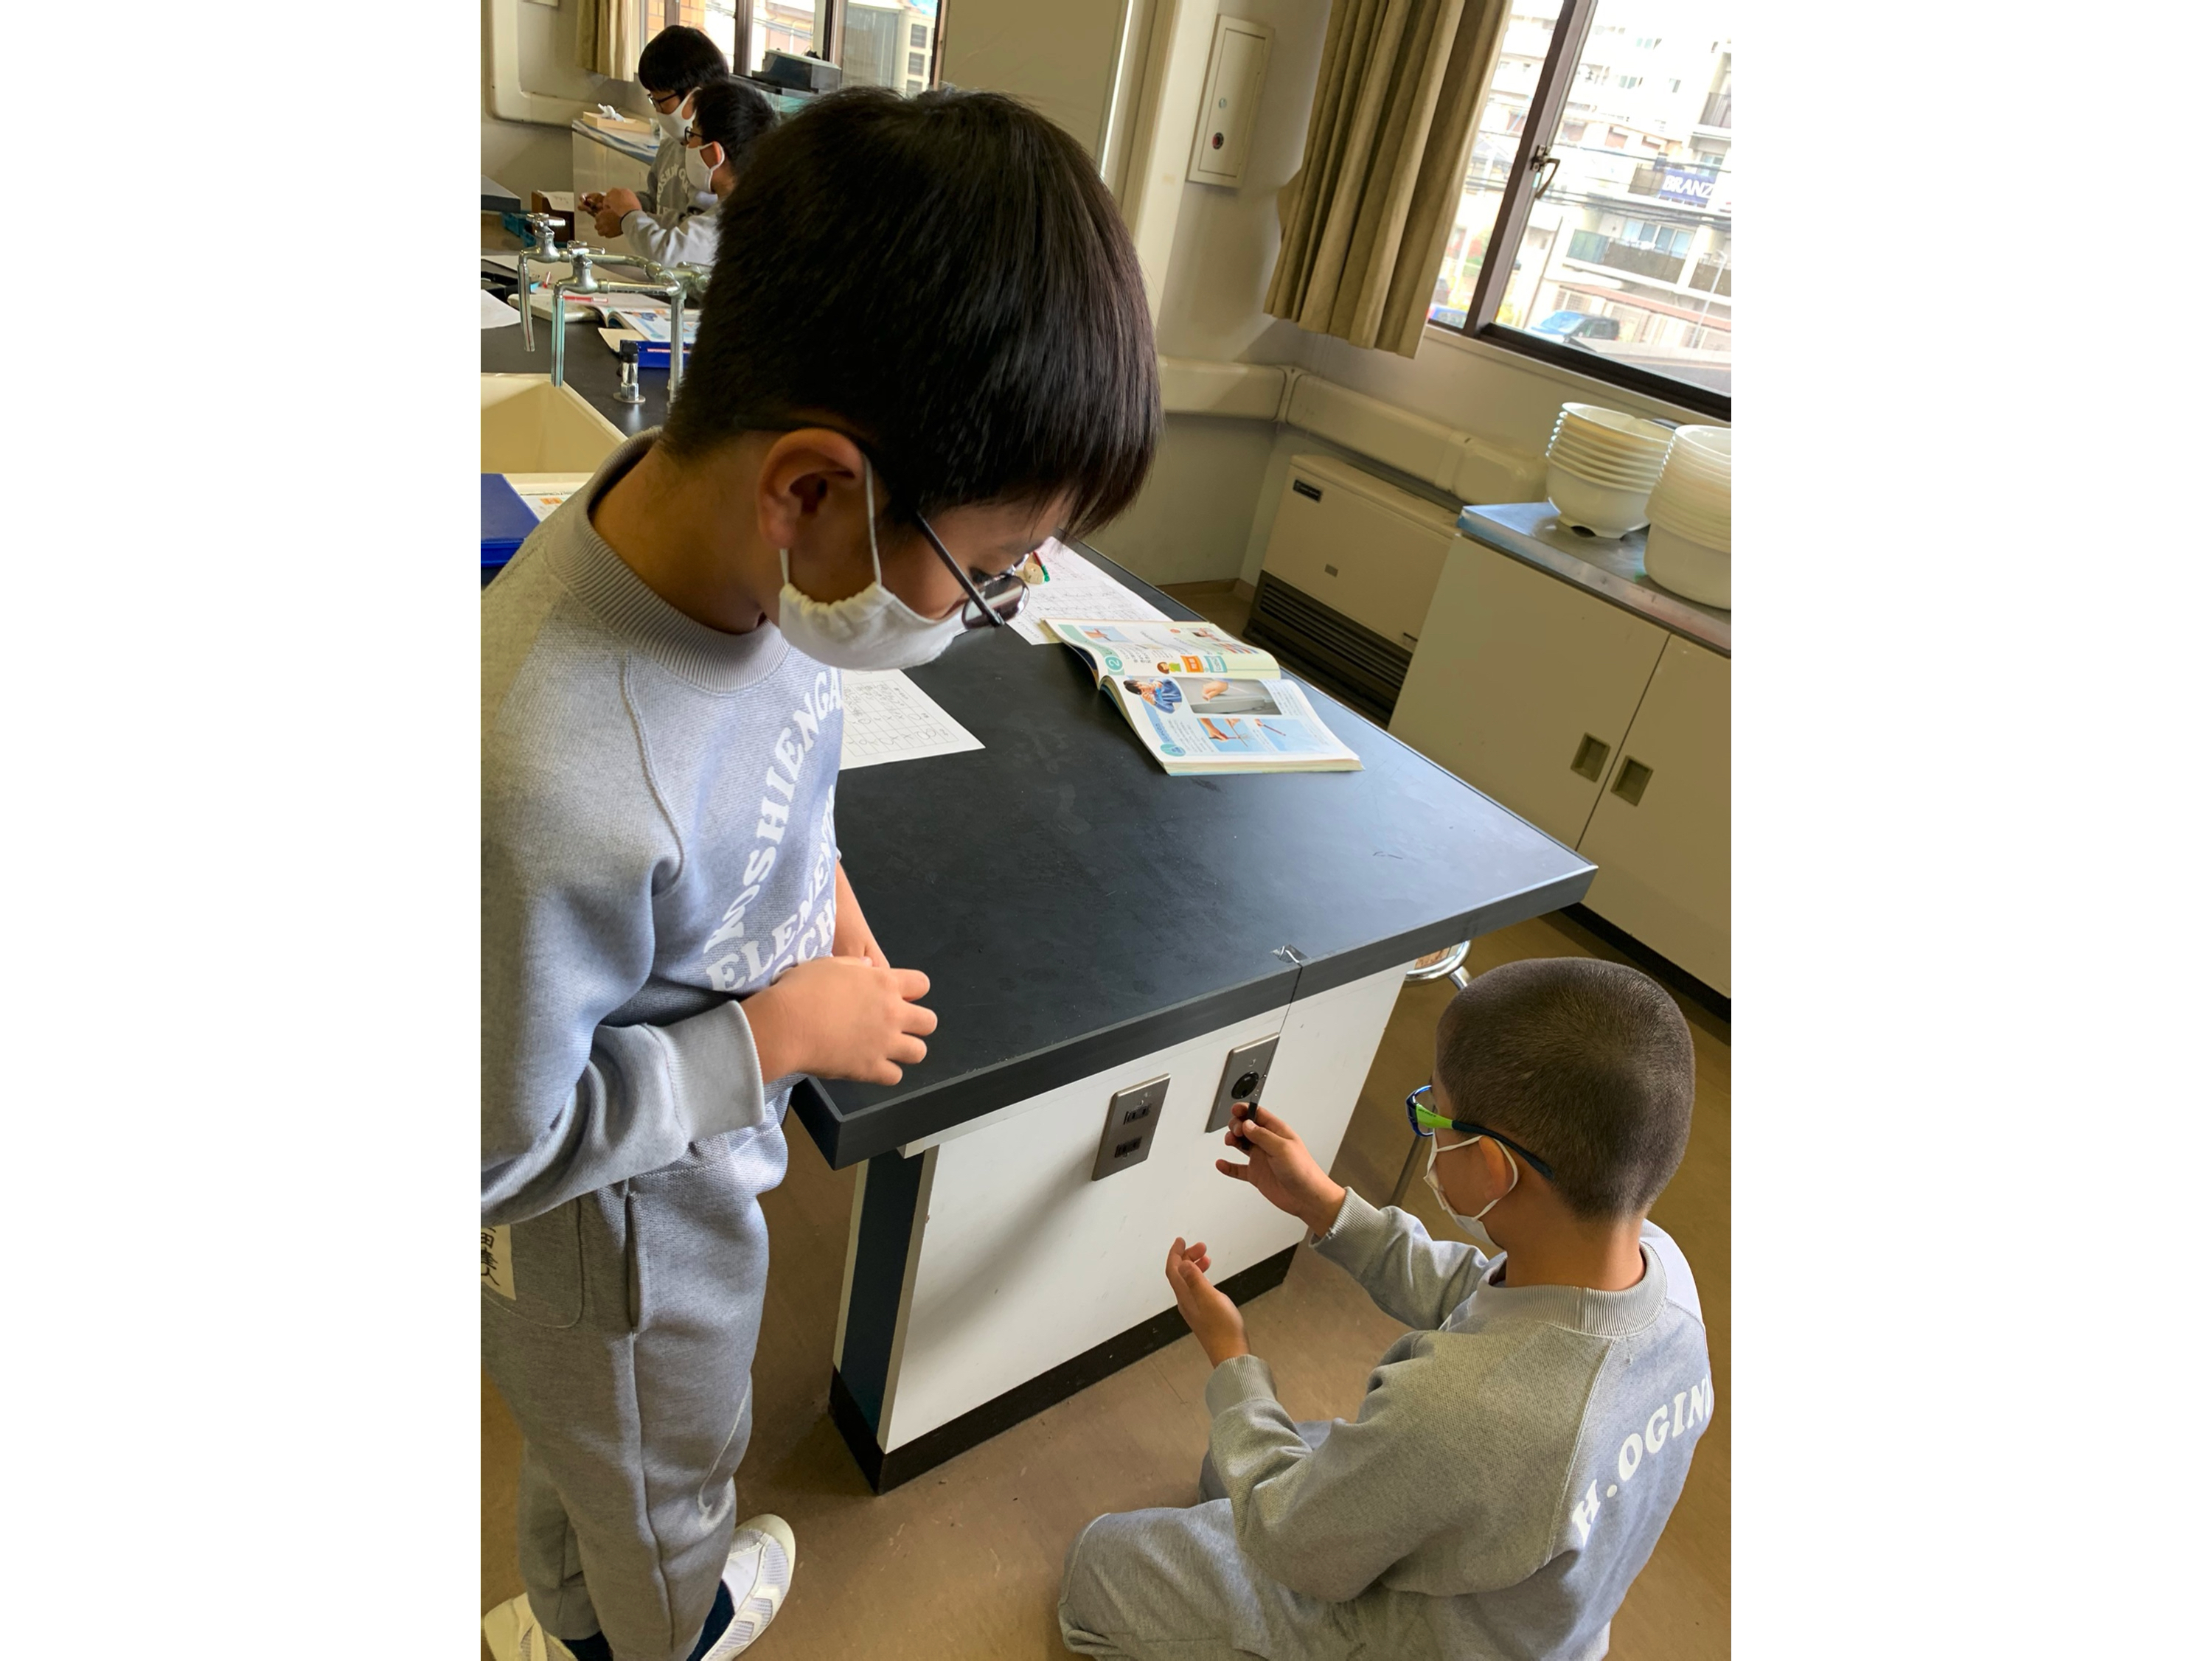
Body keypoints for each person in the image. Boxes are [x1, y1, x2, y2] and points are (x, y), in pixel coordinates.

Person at [482, 86, 1158, 1661]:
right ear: (810, 488)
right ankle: (662, 1629)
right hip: (617, 1255)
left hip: (697, 1179)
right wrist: (777, 1033)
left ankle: (567, 1617)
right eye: (988, 571)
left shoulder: (757, 573)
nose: (988, 605)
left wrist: (827, 908)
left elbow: (782, 773)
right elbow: (493, 1157)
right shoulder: (546, 773)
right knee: (659, 1478)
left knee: (595, 1470)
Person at [1060, 957, 1712, 1661]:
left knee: (1100, 1564)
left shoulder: (1466, 1410)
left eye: (1434, 1113)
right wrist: (1328, 1206)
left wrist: (1232, 1359)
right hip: (1524, 1606)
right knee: (1229, 1472)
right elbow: (1478, 1292)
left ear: (1492, 1166)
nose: (1428, 1126)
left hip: (1423, 1637)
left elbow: (1291, 1540)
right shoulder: (1659, 1269)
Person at [594, 75, 777, 270]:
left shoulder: (737, 218)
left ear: (714, 155)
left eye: (693, 135)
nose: (688, 144)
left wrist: (630, 215)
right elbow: (681, 226)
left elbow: (668, 254)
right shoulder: (741, 203)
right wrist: (626, 215)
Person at [579, 25, 727, 234]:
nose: (657, 110)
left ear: (694, 97)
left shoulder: (711, 162)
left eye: (661, 101)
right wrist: (615, 206)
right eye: (653, 100)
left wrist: (629, 220)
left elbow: (691, 233)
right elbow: (653, 201)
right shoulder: (670, 147)